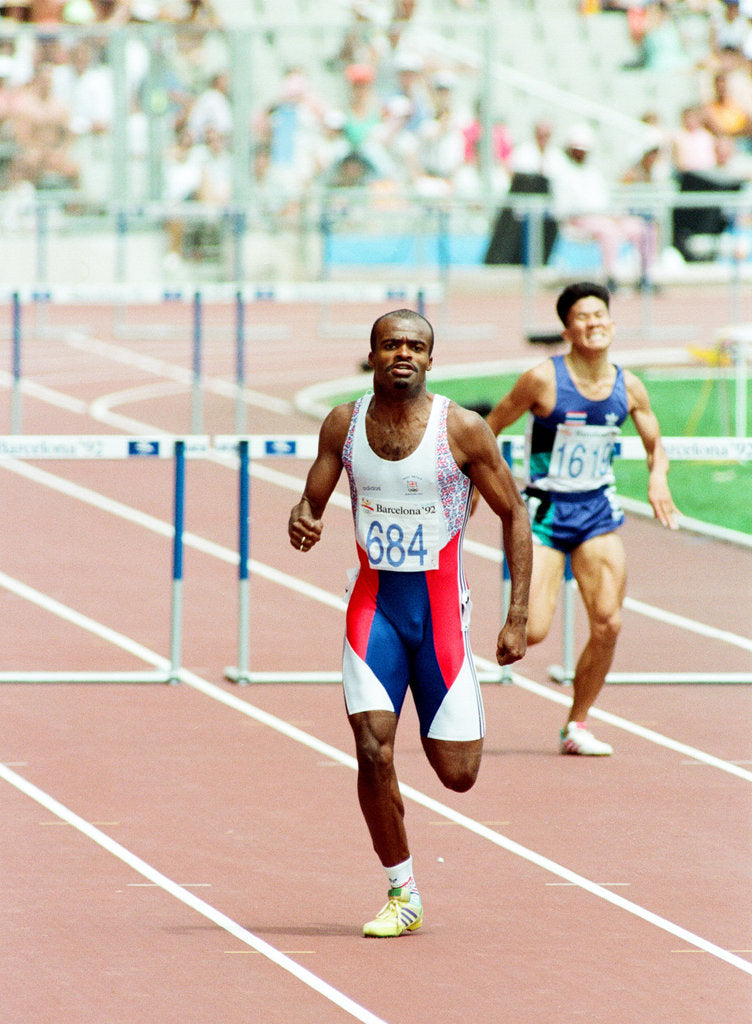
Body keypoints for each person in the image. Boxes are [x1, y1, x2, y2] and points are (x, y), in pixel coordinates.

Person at [288, 308, 532, 937]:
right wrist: (303, 518)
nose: (403, 354)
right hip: (374, 610)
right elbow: (311, 501)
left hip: (441, 615)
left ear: (430, 359)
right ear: (372, 354)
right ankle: (403, 892)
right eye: (391, 344)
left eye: (415, 346)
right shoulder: (343, 425)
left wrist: (517, 615)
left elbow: (514, 514)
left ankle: (434, 711)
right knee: (372, 750)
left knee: (458, 774)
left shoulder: (463, 429)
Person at [485, 282, 678, 757]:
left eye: (599, 315)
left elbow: (656, 445)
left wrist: (658, 478)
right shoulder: (542, 379)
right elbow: (489, 428)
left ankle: (576, 724)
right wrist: (483, 486)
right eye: (582, 317)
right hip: (546, 513)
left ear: (611, 323)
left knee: (608, 623)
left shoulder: (629, 386)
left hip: (596, 513)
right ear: (567, 330)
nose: (593, 323)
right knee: (531, 631)